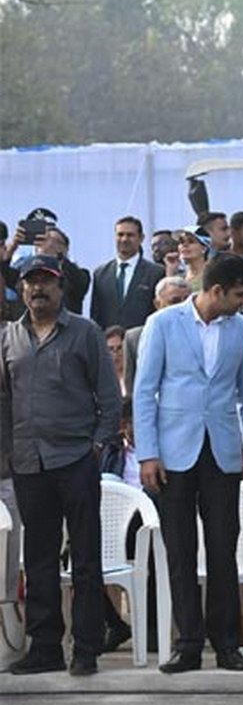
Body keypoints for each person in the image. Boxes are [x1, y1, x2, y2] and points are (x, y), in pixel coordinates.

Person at [133, 253, 243, 674]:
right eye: (240, 295)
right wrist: (148, 453)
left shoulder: (242, 329)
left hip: (223, 451)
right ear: (216, 291)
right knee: (180, 551)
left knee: (224, 547)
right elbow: (144, 391)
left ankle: (226, 644)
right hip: (173, 452)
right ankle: (188, 644)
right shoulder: (163, 324)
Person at [0, 256, 121, 676]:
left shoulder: (84, 333)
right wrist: (7, 451)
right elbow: (3, 401)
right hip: (28, 462)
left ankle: (86, 648)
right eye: (30, 282)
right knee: (38, 559)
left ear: (61, 288)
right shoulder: (8, 338)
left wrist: (98, 445)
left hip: (75, 460)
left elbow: (109, 395)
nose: (38, 290)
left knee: (85, 559)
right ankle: (45, 647)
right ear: (21, 289)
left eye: (46, 282)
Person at [91, 216, 166, 330]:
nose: (124, 239)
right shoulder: (101, 273)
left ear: (141, 238)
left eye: (130, 235)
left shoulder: (156, 272)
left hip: (142, 340)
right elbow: (96, 315)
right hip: (109, 344)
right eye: (120, 234)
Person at [122, 276, 191, 396]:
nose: (182, 307)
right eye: (175, 301)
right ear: (158, 304)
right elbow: (131, 385)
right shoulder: (134, 338)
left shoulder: (203, 334)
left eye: (186, 301)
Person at [174, 226, 212, 292]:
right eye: (181, 242)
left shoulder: (213, 275)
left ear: (204, 248)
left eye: (191, 241)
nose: (184, 245)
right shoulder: (179, 277)